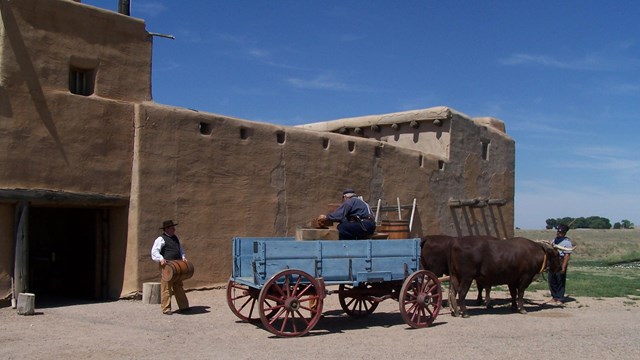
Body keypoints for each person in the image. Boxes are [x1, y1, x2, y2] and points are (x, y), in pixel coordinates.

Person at [151, 220, 190, 315]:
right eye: (172, 228)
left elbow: (180, 249)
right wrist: (161, 258)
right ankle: (166, 308)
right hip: (167, 267)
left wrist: (183, 257)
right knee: (166, 287)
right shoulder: (160, 239)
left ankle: (184, 306)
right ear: (167, 229)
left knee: (178, 286)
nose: (174, 229)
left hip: (177, 266)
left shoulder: (175, 238)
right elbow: (154, 251)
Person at [548, 224, 573, 304]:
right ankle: (554, 297)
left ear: (564, 233)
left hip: (560, 261)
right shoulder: (554, 240)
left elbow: (567, 255)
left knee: (560, 280)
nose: (558, 233)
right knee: (552, 280)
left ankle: (560, 298)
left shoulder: (567, 242)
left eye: (560, 232)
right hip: (553, 262)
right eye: (558, 231)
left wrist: (563, 267)